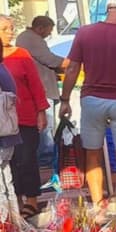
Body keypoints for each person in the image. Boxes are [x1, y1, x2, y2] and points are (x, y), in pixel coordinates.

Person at [59, 0, 116, 227]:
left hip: (92, 100)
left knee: (92, 153)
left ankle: (98, 208)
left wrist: (65, 99)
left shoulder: (84, 32)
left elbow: (72, 68)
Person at [0, 15, 50, 219]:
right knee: (9, 165)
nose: (10, 32)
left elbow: (36, 85)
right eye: (5, 29)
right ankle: (15, 201)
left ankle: (31, 200)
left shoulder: (21, 54)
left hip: (25, 117)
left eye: (11, 28)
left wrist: (41, 111)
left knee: (27, 159)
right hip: (3, 123)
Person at [15, 16, 67, 169]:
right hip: (43, 91)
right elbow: (50, 59)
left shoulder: (26, 38)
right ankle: (45, 163)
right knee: (46, 128)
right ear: (41, 28)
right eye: (49, 31)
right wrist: (71, 63)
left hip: (41, 89)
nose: (49, 34)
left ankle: (43, 160)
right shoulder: (31, 39)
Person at [0, 38, 24, 218]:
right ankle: (13, 227)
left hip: (3, 137)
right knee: (6, 183)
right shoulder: (4, 70)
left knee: (3, 188)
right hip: (8, 135)